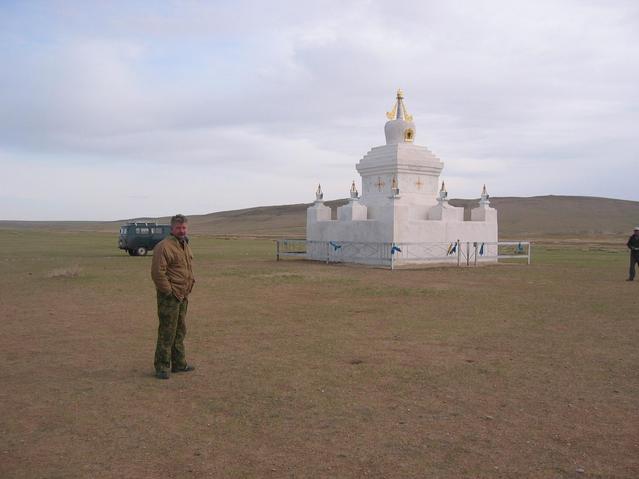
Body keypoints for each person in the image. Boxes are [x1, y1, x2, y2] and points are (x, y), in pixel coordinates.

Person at [151, 214, 196, 379]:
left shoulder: (185, 245)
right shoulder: (163, 246)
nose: (182, 230)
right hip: (170, 296)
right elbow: (157, 273)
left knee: (180, 331)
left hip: (183, 295)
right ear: (172, 228)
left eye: (184, 227)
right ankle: (162, 367)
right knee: (167, 332)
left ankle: (179, 364)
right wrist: (169, 291)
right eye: (178, 228)